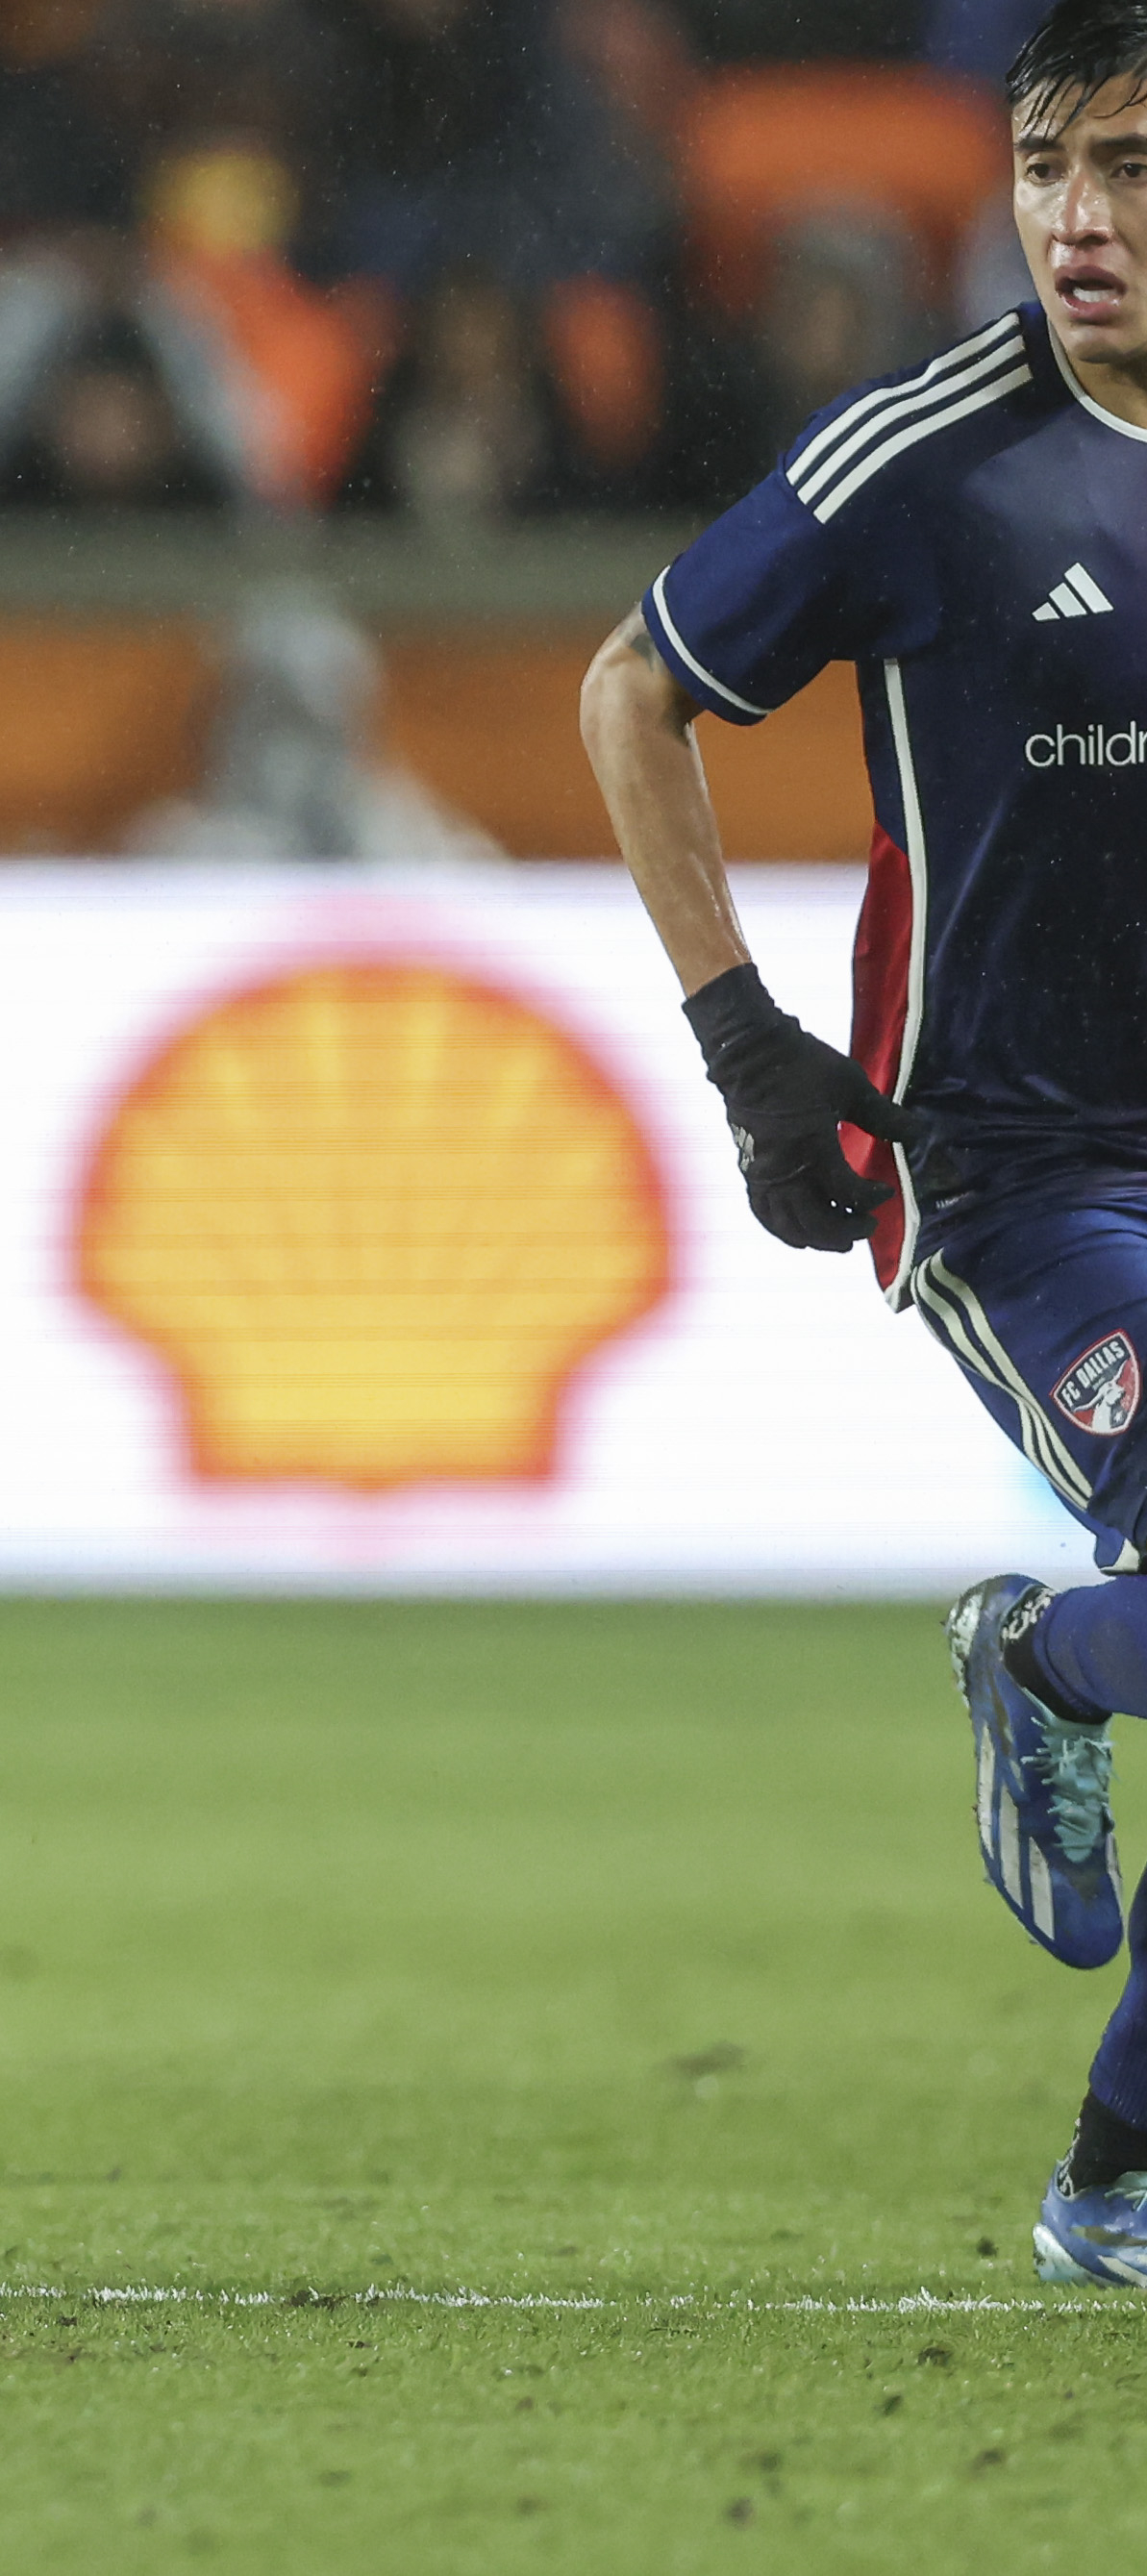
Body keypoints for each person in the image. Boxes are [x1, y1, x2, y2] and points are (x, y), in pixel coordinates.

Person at [579, 0, 1147, 2287]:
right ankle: (1042, 1658)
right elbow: (630, 684)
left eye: (1124, 165)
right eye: (1041, 168)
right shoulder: (926, 453)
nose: (1075, 220)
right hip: (1019, 1173)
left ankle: (1109, 2186)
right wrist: (739, 1042)